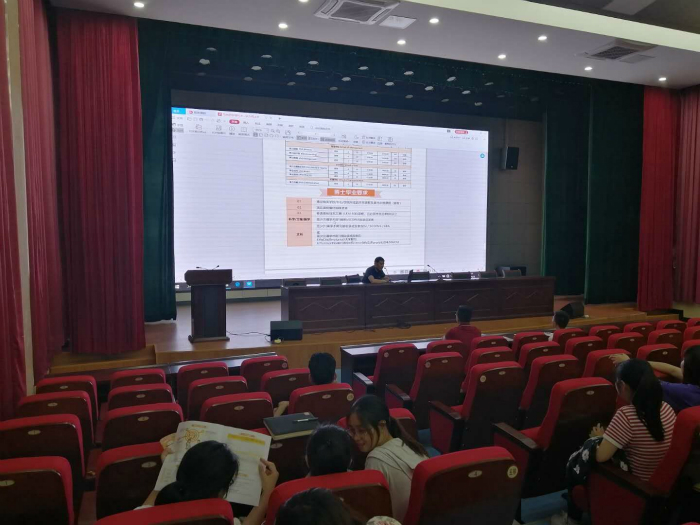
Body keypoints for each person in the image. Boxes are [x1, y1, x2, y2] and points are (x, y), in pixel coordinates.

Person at [552, 359, 676, 525]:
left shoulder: (626, 415)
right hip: (658, 485)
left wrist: (599, 438)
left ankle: (572, 518)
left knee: (582, 455)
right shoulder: (667, 408)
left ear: (622, 386)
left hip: (633, 487)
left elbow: (601, 457)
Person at [138, 441, 279, 525]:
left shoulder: (144, 517)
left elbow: (147, 506)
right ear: (222, 491)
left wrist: (167, 469)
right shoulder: (221, 519)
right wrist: (267, 492)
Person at [346, 395, 428, 522]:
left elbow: (374, 515)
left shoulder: (375, 459)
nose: (356, 437)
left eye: (362, 431)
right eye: (352, 430)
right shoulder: (408, 445)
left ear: (382, 425)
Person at [611, 345, 700, 412]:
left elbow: (646, 380)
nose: (682, 361)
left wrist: (629, 362)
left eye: (684, 360)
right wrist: (636, 361)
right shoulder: (696, 379)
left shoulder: (682, 391)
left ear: (690, 368)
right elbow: (673, 370)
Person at [274, 352, 337, 416]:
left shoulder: (298, 396)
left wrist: (281, 407)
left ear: (310, 378)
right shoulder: (343, 392)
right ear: (335, 376)